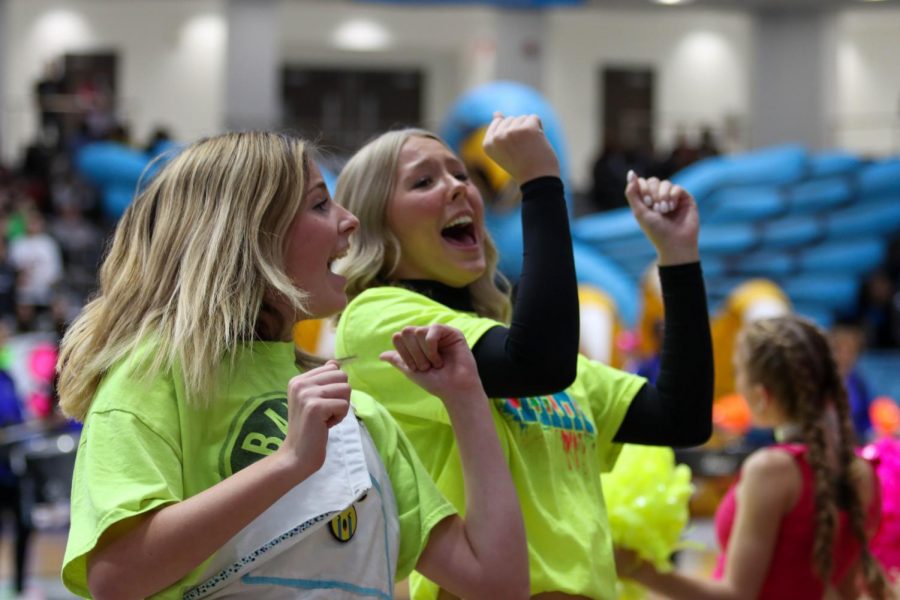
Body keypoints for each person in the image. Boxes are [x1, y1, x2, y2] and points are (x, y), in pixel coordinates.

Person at [57, 131, 528, 599]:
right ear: (249, 230)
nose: (349, 221)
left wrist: (467, 401)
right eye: (320, 204)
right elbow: (116, 578)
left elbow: (498, 584)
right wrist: (287, 464)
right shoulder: (150, 373)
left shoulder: (357, 411)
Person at [334, 113, 713, 598]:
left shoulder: (514, 345)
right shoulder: (375, 318)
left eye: (461, 174)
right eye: (424, 181)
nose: (456, 188)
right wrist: (540, 183)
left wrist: (678, 258)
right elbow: (537, 363)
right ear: (374, 224)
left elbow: (681, 418)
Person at [617, 315, 888, 600]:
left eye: (738, 373)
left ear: (762, 394)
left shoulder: (772, 470)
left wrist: (639, 569)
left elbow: (737, 595)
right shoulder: (862, 472)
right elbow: (845, 592)